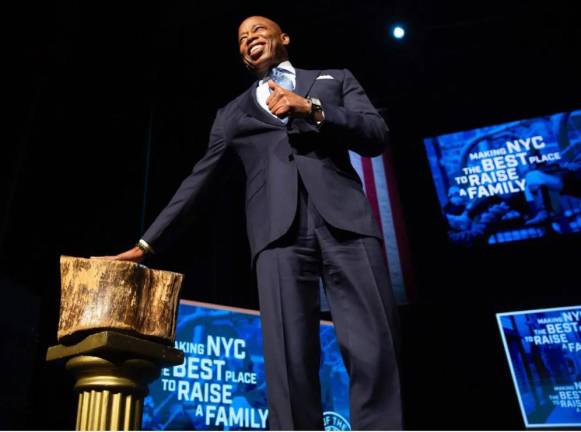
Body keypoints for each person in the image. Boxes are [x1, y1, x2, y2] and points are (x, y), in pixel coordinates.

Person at [107, 16, 402, 430]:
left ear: (284, 37)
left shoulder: (333, 79)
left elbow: (375, 134)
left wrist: (313, 109)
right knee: (287, 358)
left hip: (347, 224)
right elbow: (197, 182)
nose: (249, 39)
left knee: (373, 347)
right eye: (241, 38)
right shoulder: (231, 115)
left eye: (258, 31)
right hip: (277, 236)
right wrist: (147, 244)